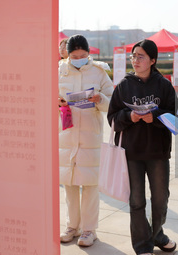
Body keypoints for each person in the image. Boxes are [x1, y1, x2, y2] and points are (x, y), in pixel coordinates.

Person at [107, 39, 177, 255]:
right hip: (131, 153)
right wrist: (130, 116)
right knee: (136, 201)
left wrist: (154, 116)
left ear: (152, 60)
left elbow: (176, 117)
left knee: (160, 199)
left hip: (158, 152)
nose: (135, 60)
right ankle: (142, 246)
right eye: (133, 56)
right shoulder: (124, 86)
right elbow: (112, 118)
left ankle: (157, 235)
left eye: (140, 56)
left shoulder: (164, 85)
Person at [58, 34, 114, 247]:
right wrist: (58, 102)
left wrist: (100, 99)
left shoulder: (99, 72)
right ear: (68, 55)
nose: (79, 58)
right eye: (74, 56)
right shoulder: (59, 71)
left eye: (83, 55)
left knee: (90, 184)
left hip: (90, 134)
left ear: (88, 54)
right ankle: (72, 226)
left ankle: (89, 230)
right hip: (66, 133)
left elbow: (113, 103)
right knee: (69, 182)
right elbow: (46, 96)